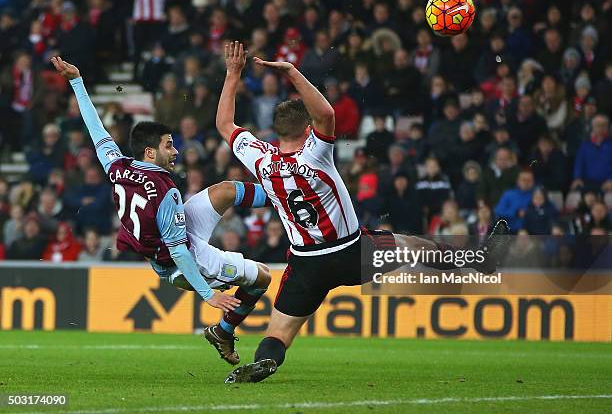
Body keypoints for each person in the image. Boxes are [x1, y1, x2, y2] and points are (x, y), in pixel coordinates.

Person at [215, 42, 510, 383]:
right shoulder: (315, 153)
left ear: (277, 132)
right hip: (351, 252)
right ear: (308, 130)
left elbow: (225, 124)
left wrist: (233, 73)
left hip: (305, 263)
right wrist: (293, 72)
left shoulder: (261, 158)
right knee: (416, 246)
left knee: (280, 331)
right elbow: (327, 114)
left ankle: (265, 361)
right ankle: (480, 260)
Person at [51, 56, 272, 366]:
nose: (176, 151)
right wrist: (208, 295)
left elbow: (96, 129)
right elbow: (179, 250)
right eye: (170, 145)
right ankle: (223, 331)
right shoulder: (164, 191)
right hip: (181, 261)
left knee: (226, 190)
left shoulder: (117, 165)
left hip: (166, 239)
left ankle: (282, 192)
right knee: (262, 277)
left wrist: (77, 81)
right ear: (151, 152)